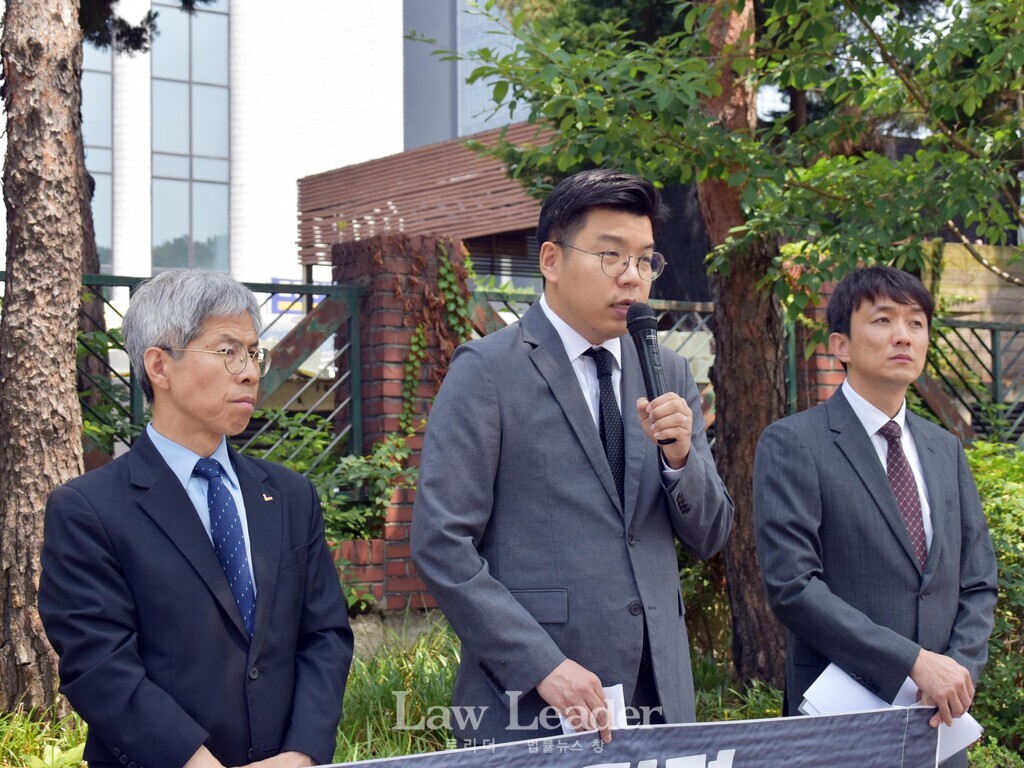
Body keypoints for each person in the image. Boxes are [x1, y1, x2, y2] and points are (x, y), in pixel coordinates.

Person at [411, 169, 734, 746]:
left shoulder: (669, 372)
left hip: (658, 689)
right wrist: (541, 665)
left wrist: (682, 459)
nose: (632, 277)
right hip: (535, 698)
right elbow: (441, 544)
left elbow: (710, 535)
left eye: (645, 261)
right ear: (552, 261)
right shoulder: (487, 372)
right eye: (611, 256)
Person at [39, 270, 353, 768]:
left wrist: (301, 753)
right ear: (160, 366)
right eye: (227, 351)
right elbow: (99, 665)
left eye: (253, 353)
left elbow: (325, 636)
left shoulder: (291, 496)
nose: (250, 372)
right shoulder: (88, 509)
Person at [754, 266, 997, 767]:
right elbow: (793, 587)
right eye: (883, 320)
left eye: (916, 322)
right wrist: (911, 663)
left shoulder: (944, 448)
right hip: (839, 720)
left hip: (938, 723)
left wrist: (957, 671)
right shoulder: (795, 442)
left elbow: (977, 581)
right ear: (840, 345)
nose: (903, 335)